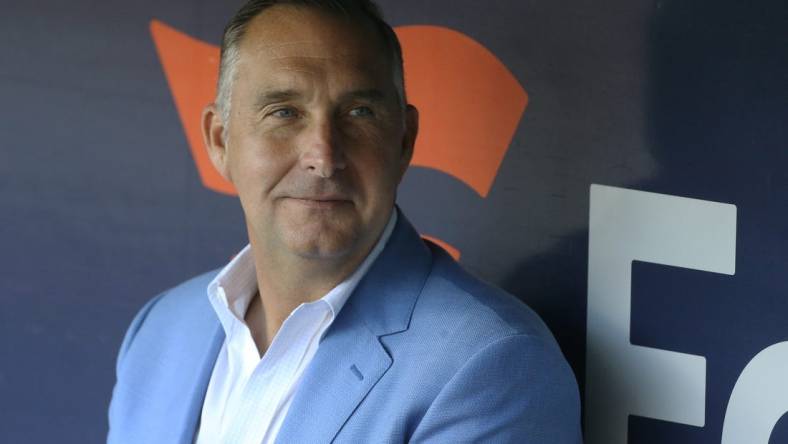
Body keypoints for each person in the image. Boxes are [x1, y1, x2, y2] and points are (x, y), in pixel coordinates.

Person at [107, 1, 582, 442]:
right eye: (284, 112)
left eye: (359, 112)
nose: (323, 156)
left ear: (404, 141)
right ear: (219, 139)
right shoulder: (162, 328)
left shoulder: (491, 366)